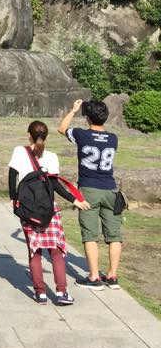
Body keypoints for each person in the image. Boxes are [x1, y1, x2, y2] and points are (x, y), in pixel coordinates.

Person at [9, 121, 89, 305]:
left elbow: (12, 176)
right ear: (46, 136)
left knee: (34, 251)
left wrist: (14, 200)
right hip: (48, 209)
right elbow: (54, 184)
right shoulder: (52, 157)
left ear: (28, 134)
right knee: (56, 251)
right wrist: (74, 199)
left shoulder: (19, 151)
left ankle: (40, 293)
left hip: (28, 208)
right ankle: (62, 292)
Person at [58, 98, 123, 290]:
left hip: (88, 189)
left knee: (90, 235)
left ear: (87, 117)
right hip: (110, 189)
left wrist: (73, 110)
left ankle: (94, 277)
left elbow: (62, 129)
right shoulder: (113, 138)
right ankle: (112, 276)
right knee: (114, 235)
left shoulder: (81, 135)